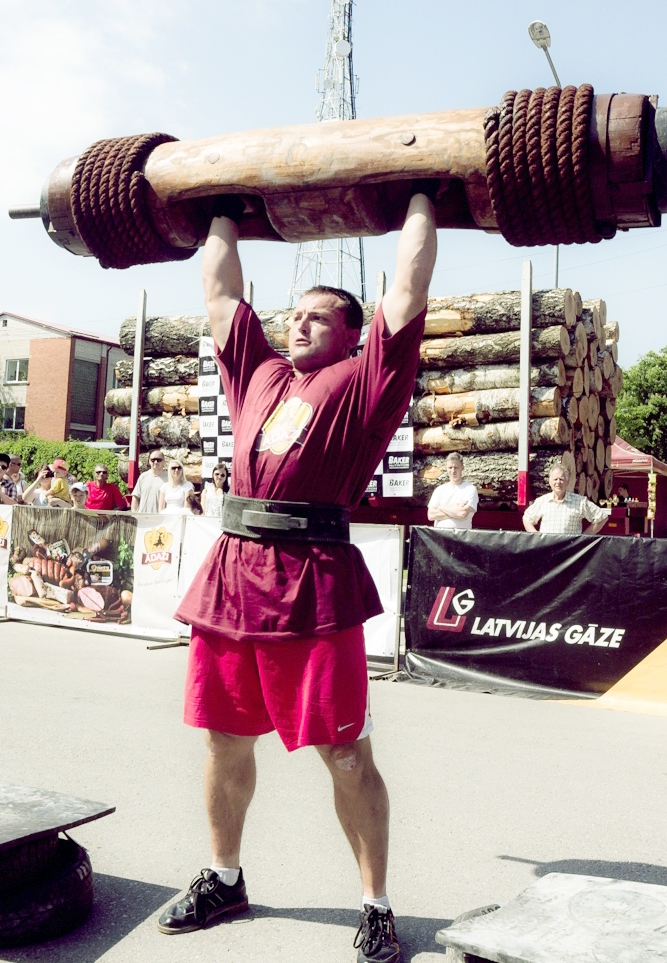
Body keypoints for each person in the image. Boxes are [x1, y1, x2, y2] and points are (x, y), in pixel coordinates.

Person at [158, 185, 437, 963]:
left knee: (346, 755)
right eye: (296, 313)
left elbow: (407, 287)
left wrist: (424, 197)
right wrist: (220, 209)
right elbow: (220, 291)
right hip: (232, 575)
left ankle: (375, 905)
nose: (300, 322)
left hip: (312, 581)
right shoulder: (258, 372)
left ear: (352, 333)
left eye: (319, 316)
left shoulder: (367, 379)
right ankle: (224, 877)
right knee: (223, 741)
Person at [523, 465, 608, 535]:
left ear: (567, 481)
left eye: (561, 479)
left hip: (570, 549)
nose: (558, 482)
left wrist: (583, 538)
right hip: (547, 548)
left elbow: (602, 517)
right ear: (550, 482)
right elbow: (527, 519)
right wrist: (536, 536)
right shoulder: (542, 501)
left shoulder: (580, 502)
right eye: (555, 479)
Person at [427, 452, 479, 529]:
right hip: (439, 535)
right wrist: (456, 511)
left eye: (456, 467)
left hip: (460, 535)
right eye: (450, 467)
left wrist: (442, 508)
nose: (453, 471)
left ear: (462, 468)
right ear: (446, 468)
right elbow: (431, 515)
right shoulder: (439, 489)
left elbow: (462, 514)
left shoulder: (470, 489)